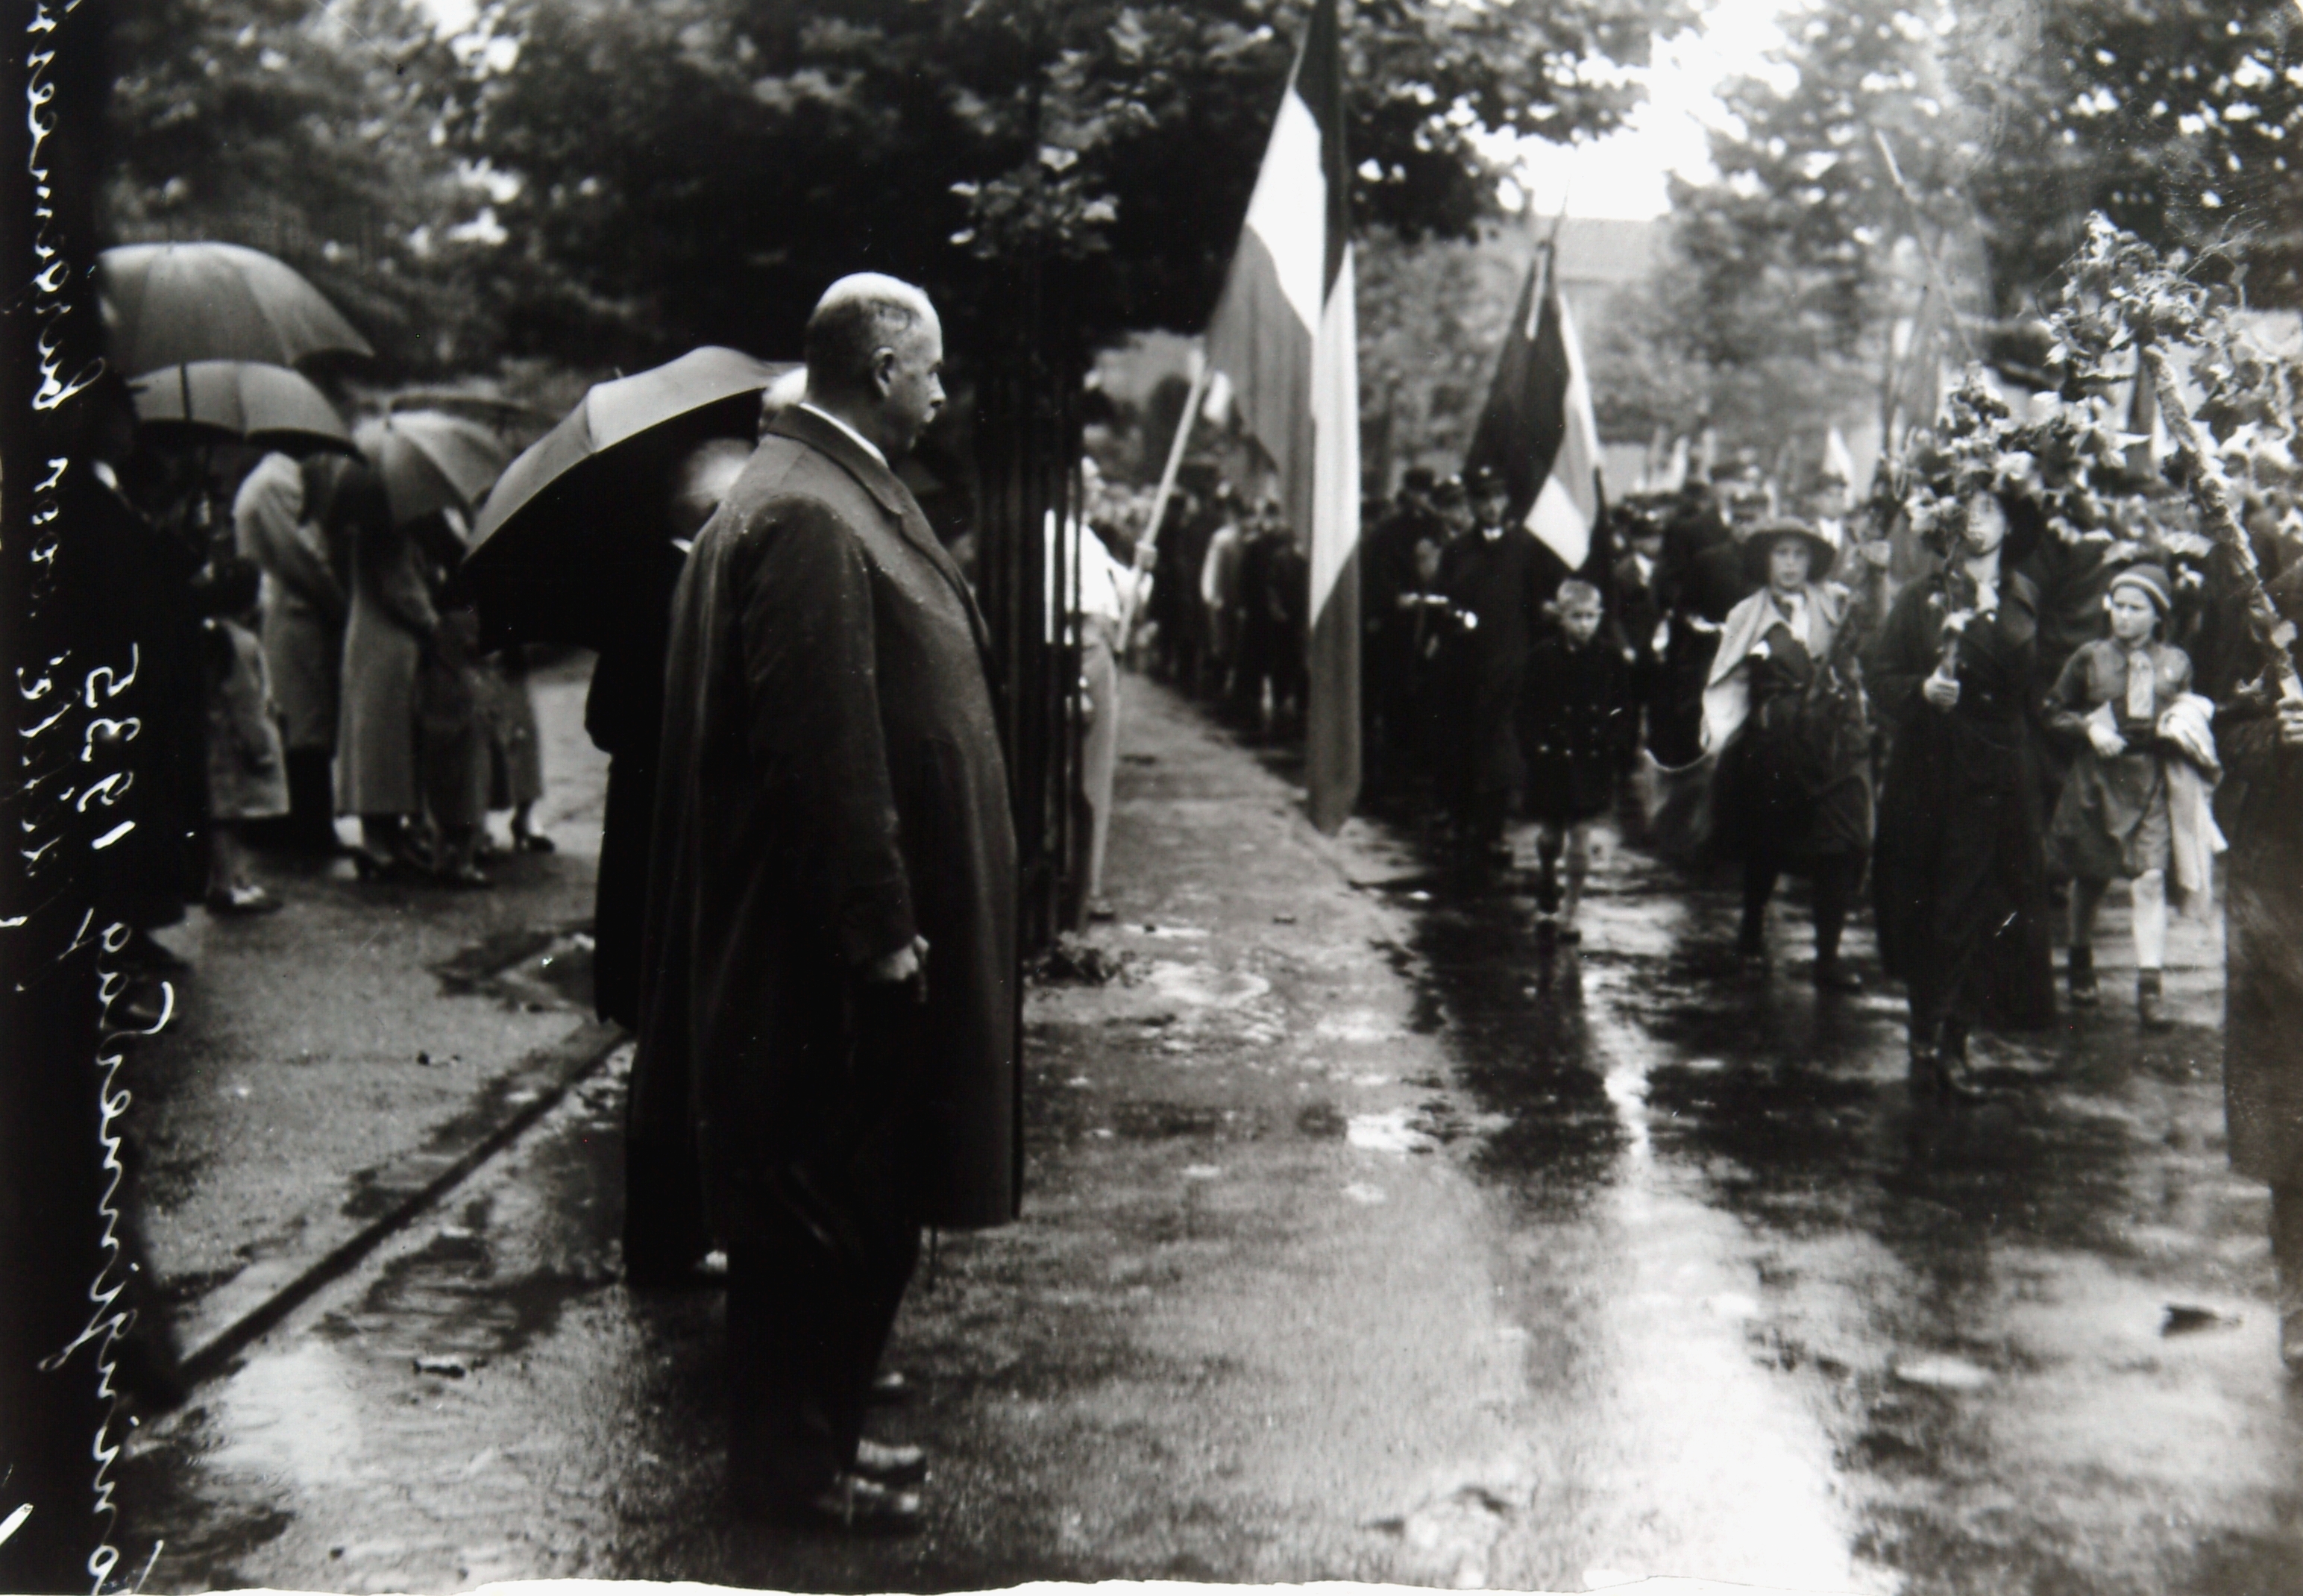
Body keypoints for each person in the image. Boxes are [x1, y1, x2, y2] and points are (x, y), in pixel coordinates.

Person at [635, 273, 1018, 1531]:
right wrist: (879, 932)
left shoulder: (813, 488)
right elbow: (821, 752)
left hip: (819, 941)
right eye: (933, 368)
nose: (943, 392)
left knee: (851, 1206)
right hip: (820, 954)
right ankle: (794, 1473)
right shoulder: (807, 509)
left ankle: (826, 1442)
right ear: (882, 367)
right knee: (820, 1216)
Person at [1870, 491, 2056, 1093]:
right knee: (1935, 898)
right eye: (1967, 510)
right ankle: (1926, 1023)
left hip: (2002, 770)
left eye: (1990, 510)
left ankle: (1957, 1036)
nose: (1978, 523)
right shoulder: (1922, 597)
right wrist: (1921, 691)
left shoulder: (2024, 595)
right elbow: (1880, 674)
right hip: (1935, 765)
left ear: (2009, 523)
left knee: (1991, 902)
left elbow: (2037, 687)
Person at [2045, 563, 2223, 1029]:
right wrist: (2089, 729)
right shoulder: (2090, 658)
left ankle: (2150, 990)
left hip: (2152, 780)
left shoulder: (2175, 662)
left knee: (2150, 878)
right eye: (2117, 606)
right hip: (2098, 779)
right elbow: (2053, 711)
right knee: (2091, 878)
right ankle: (2079, 958)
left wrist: (2185, 723)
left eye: (2135, 608)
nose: (2123, 616)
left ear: (2157, 614)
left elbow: (2187, 710)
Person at [1702, 521, 1873, 991]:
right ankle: (1751, 931)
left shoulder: (1836, 603)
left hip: (1833, 745)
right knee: (1769, 844)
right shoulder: (1746, 615)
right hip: (1775, 748)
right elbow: (1729, 681)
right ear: (1765, 561)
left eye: (1800, 554)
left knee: (1838, 845)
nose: (1791, 564)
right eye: (1781, 554)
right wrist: (1721, 739)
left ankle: (1827, 958)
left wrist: (1876, 574)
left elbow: (1870, 632)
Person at [2216, 563, 2303, 1369]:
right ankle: (2298, 1296)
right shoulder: (2289, 596)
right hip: (2284, 892)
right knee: (2290, 1104)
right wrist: (2276, 735)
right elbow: (2231, 728)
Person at [234, 449, 348, 855]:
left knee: (299, 719)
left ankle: (302, 824)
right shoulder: (276, 484)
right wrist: (340, 604)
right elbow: (303, 557)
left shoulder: (274, 478)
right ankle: (306, 827)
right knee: (302, 721)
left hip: (290, 613)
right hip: (292, 614)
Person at [1438, 465, 1549, 863]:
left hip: (1509, 663)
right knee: (1462, 742)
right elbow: (1443, 599)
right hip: (1464, 663)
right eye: (1482, 499)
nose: (1490, 506)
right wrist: (1456, 618)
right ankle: (1459, 820)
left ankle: (1493, 830)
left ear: (1506, 502)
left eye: (1497, 498)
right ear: (1470, 504)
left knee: (1500, 747)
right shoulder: (1457, 550)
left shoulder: (1524, 549)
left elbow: (1536, 606)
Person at [336, 465, 438, 879]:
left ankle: (386, 838)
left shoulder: (371, 531)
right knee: (385, 744)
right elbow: (402, 591)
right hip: (388, 647)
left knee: (380, 743)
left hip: (373, 644)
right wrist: (434, 625)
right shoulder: (387, 534)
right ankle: (380, 844)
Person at [1520, 579, 1634, 938]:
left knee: (1581, 835)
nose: (1584, 625)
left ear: (1600, 616)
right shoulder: (1543, 656)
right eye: (1576, 617)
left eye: (1590, 617)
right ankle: (1547, 882)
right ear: (1561, 617)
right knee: (1551, 836)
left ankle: (1570, 911)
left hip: (1591, 758)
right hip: (1552, 759)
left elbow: (1623, 707)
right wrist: (1535, 746)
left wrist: (1616, 743)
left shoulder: (1610, 657)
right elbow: (1525, 709)